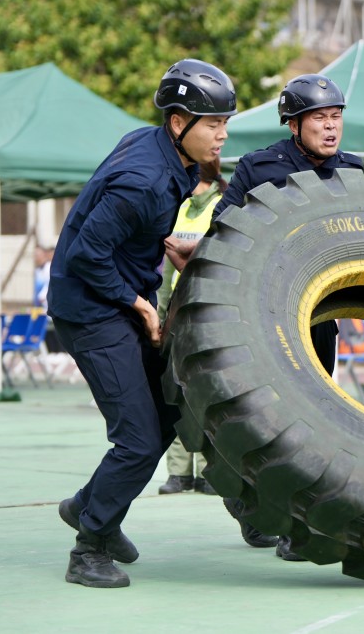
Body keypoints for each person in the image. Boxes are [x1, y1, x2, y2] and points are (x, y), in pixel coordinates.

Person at [47, 58, 237, 588]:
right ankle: (88, 548)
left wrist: (166, 245)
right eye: (213, 123)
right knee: (136, 437)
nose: (223, 134)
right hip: (90, 308)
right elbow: (87, 253)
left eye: (226, 123)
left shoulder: (161, 153)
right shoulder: (143, 178)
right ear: (179, 123)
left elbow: (119, 229)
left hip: (118, 295)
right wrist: (142, 305)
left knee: (165, 417)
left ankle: (90, 508)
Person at [212, 73, 364, 562]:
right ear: (294, 124)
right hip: (265, 318)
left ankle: (298, 523)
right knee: (268, 422)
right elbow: (225, 230)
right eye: (319, 118)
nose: (330, 127)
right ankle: (252, 501)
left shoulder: (354, 172)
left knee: (317, 422)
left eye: (336, 117)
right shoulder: (259, 168)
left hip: (321, 316)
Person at [155, 158, 226, 496]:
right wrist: (160, 314)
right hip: (179, 313)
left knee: (208, 393)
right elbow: (167, 274)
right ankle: (179, 473)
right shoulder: (179, 207)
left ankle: (209, 472)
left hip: (210, 312)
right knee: (177, 393)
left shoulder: (221, 206)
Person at [33, 246, 52, 312]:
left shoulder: (49, 267)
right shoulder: (38, 270)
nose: (36, 257)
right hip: (39, 305)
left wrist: (42, 296)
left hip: (46, 304)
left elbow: (49, 284)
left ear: (44, 255)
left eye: (37, 255)